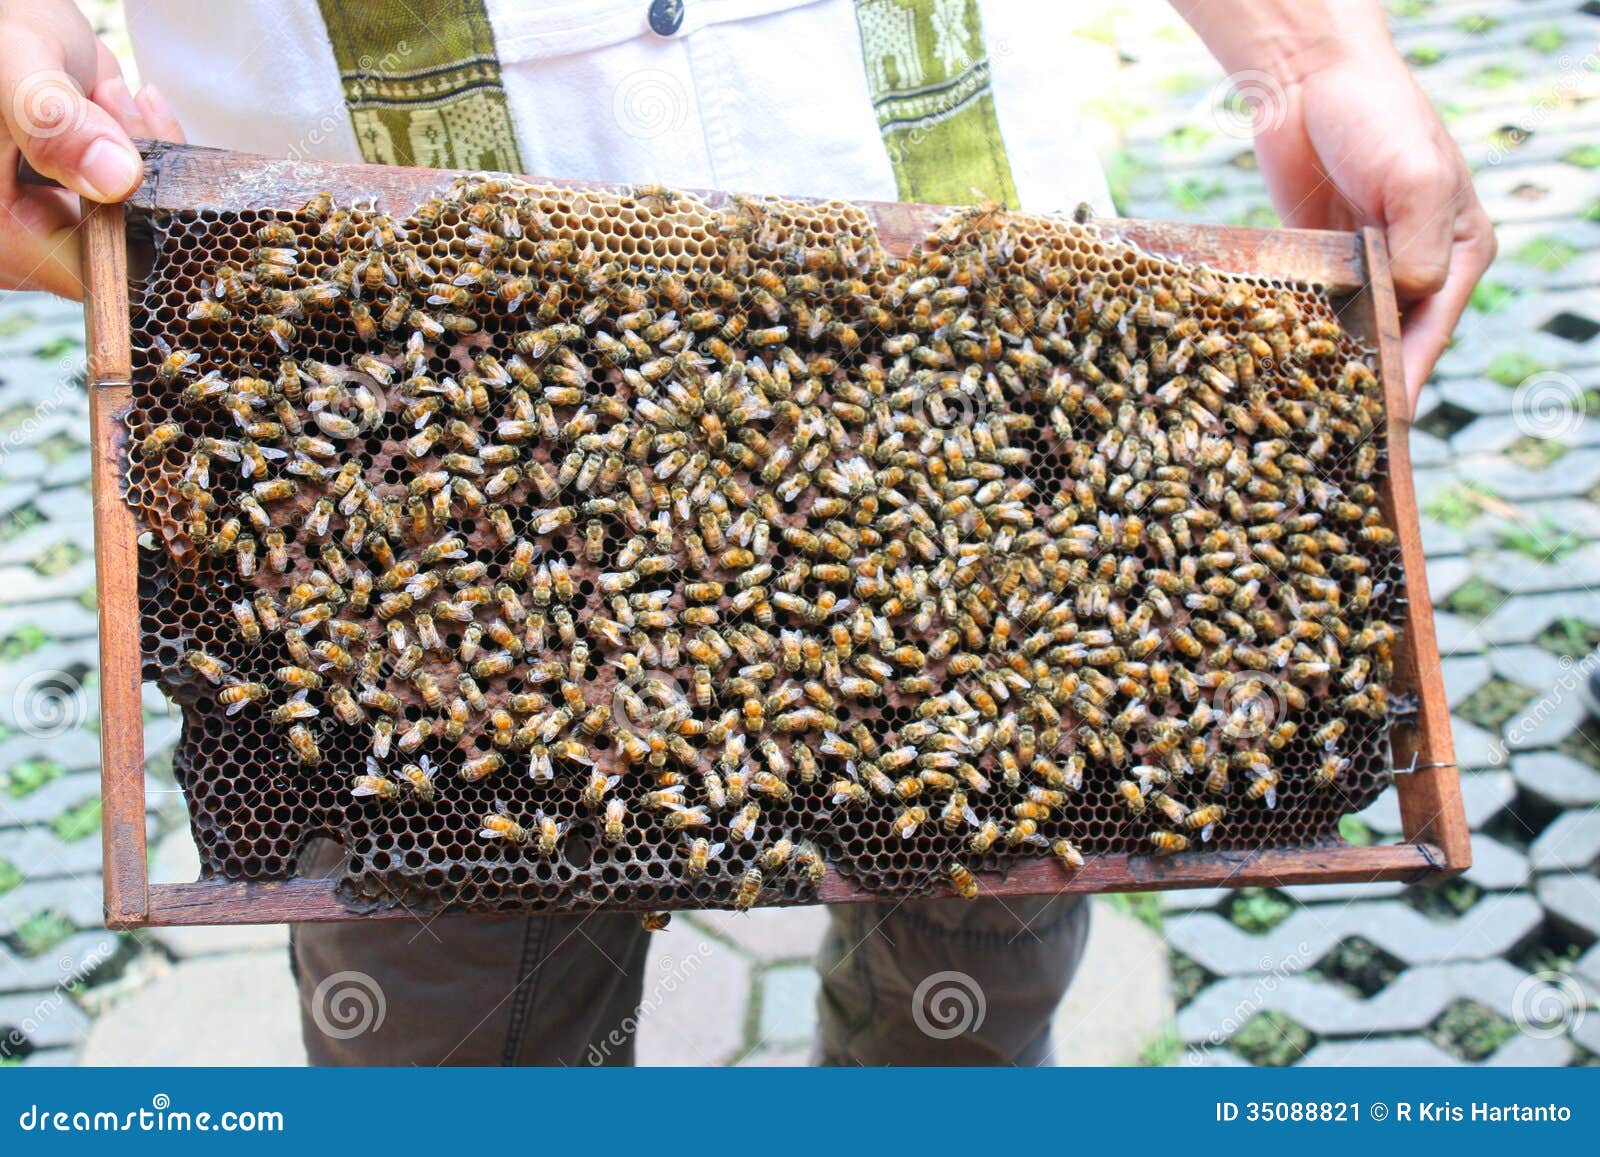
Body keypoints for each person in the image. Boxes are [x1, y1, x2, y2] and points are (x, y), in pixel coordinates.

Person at [0, 0, 1494, 1066]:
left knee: (973, 988)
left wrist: (1306, 47)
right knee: (457, 1038)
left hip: (1008, 416)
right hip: (398, 433)